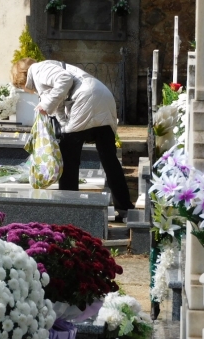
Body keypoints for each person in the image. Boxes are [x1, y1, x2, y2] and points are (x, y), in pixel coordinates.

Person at [11, 58, 134, 221]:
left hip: (84, 99)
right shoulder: (48, 68)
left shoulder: (38, 70)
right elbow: (61, 104)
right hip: (102, 97)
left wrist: (46, 105)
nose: (25, 90)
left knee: (68, 158)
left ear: (22, 77)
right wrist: (61, 125)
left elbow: (64, 79)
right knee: (109, 158)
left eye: (20, 86)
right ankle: (125, 208)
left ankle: (69, 209)